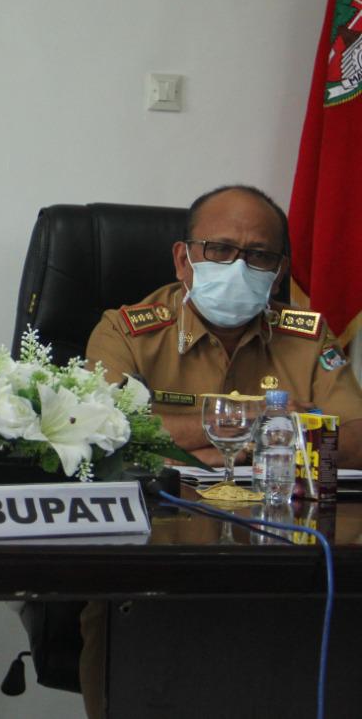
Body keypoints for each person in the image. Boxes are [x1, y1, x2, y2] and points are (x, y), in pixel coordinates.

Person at [78, 184, 362, 719]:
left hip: (283, 559)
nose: (238, 265)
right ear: (184, 259)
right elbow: (106, 432)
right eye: (220, 249)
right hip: (155, 562)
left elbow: (356, 438)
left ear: (278, 271)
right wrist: (263, 422)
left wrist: (209, 446)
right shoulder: (126, 331)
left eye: (258, 255)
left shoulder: (308, 337)